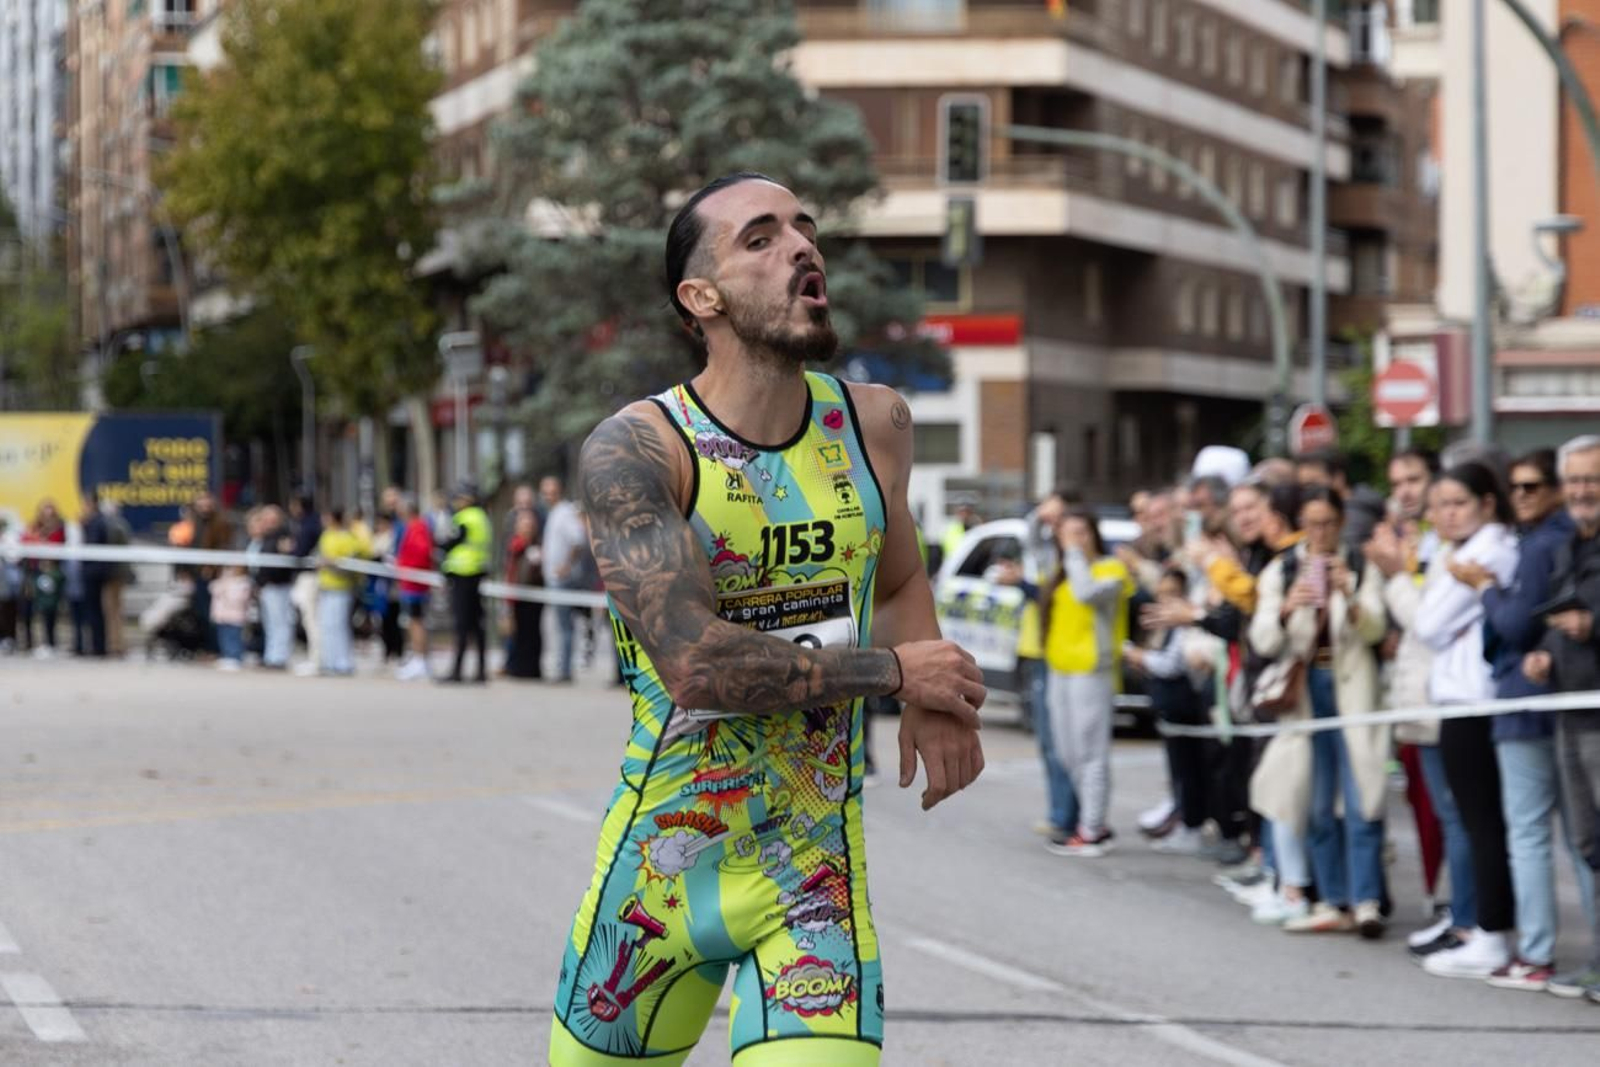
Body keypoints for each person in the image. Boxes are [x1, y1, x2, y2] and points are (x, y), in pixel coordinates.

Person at [548, 173, 986, 1066]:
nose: (801, 247)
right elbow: (695, 666)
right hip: (659, 878)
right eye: (761, 237)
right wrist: (897, 674)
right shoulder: (638, 448)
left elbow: (899, 577)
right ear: (699, 297)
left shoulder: (875, 424)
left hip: (812, 872)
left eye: (805, 229)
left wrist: (933, 687)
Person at [1451, 449, 1594, 991]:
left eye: (1535, 486)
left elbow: (1516, 624)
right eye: (1518, 487)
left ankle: (1536, 953)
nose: (1525, 496)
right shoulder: (1561, 540)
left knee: (1539, 834)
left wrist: (1486, 590)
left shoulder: (1541, 546)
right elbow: (1551, 619)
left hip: (1540, 704)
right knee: (1577, 837)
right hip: (1549, 697)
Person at [1248, 487, 1389, 936]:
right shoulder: (1284, 569)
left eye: (1329, 523)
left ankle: (1366, 899)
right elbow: (1263, 640)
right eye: (1312, 524)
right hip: (1308, 693)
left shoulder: (1359, 565)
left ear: (1341, 522)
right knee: (1316, 800)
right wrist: (1289, 609)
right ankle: (1332, 897)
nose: (1321, 533)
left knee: (1363, 796)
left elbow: (1376, 629)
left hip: (1353, 687)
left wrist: (1350, 597)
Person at [1413, 463, 1521, 978]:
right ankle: (1484, 928)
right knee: (1476, 820)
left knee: (1482, 822)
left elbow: (1428, 623)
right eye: (1441, 505)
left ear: (1486, 502)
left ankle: (1491, 932)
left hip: (1477, 701)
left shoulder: (1491, 548)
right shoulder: (1459, 553)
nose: (1448, 515)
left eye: (1458, 503)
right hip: (1458, 699)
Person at [1522, 434, 1600, 1002]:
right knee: (1588, 842)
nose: (1581, 490)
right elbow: (1552, 615)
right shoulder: (1569, 546)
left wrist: (1592, 628)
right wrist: (1546, 650)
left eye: (1591, 479)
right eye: (1573, 480)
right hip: (1569, 712)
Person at [1041, 507, 1136, 858]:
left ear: (1095, 534)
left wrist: (1075, 553)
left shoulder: (1110, 571)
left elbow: (1085, 593)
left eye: (1081, 532)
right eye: (1066, 533)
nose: (1073, 540)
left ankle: (1092, 829)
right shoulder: (1061, 572)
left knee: (1090, 752)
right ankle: (1093, 822)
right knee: (1067, 753)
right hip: (1060, 668)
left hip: (1091, 670)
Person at [439, 483, 491, 685]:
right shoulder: (482, 517)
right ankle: (480, 670)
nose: (455, 502)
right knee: (476, 625)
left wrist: (438, 545)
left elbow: (450, 542)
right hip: (476, 573)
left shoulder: (466, 517)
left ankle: (457, 670)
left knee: (462, 624)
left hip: (464, 574)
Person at [542, 477, 589, 683]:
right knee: (560, 626)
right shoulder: (554, 513)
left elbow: (578, 540)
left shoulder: (564, 513)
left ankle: (565, 670)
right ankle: (563, 667)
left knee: (565, 627)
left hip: (563, 580)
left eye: (551, 491)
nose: (547, 496)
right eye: (545, 492)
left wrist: (566, 566)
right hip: (554, 579)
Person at [314, 507, 368, 677]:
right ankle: (329, 661)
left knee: (339, 625)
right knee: (327, 625)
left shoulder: (347, 537)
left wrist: (333, 563)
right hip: (326, 585)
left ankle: (343, 662)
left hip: (341, 587)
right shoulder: (326, 535)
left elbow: (351, 561)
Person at [393, 493, 435, 681]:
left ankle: (420, 660)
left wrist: (406, 566)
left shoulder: (417, 527)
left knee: (416, 622)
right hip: (410, 581)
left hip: (415, 583)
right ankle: (418, 658)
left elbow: (422, 552)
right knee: (413, 622)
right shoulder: (413, 527)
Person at [253, 505, 297, 670]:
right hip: (267, 586)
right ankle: (271, 655)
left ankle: (280, 657)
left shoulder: (283, 536)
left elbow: (282, 560)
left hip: (279, 585)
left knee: (281, 622)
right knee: (270, 623)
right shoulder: (265, 537)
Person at [21, 500, 66, 657]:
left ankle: (50, 642)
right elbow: (26, 543)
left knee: (49, 609)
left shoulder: (59, 528)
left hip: (50, 574)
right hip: (33, 572)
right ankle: (29, 643)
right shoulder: (33, 527)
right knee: (29, 608)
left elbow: (57, 548)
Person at [504, 509, 544, 680]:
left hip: (533, 594)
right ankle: (517, 666)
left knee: (532, 632)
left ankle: (531, 668)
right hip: (516, 594)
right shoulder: (514, 545)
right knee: (517, 632)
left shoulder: (536, 545)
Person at [287, 494, 323, 676]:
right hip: (312, 577)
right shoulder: (313, 523)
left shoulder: (308, 526)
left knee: (311, 619)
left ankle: (316, 659)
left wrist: (289, 549)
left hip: (310, 577)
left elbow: (299, 552)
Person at [100, 498, 133, 657]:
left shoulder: (113, 526)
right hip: (117, 573)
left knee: (112, 610)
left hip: (113, 574)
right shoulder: (123, 524)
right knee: (116, 611)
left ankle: (115, 644)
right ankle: (117, 643)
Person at [209, 564, 252, 671]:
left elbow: (237, 599)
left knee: (234, 637)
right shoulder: (224, 580)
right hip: (222, 615)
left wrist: (226, 591)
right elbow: (213, 588)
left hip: (235, 615)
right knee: (224, 637)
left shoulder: (243, 583)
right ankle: (227, 656)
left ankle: (235, 657)